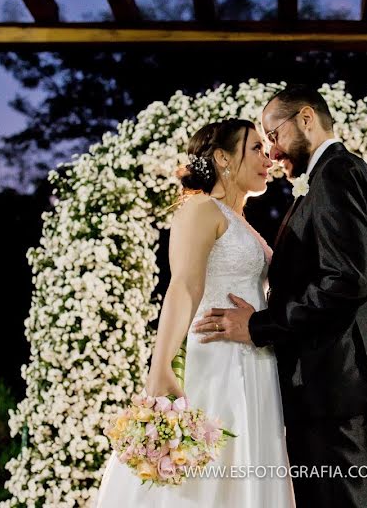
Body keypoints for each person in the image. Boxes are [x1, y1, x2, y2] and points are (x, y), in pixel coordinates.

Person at [193, 85, 367, 508]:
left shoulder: (336, 174)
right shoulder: (330, 176)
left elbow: (346, 281)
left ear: (306, 118)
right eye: (263, 142)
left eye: (273, 135)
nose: (271, 152)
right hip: (327, 384)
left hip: (332, 383)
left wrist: (258, 326)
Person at [94, 119, 296, 507]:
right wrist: (161, 366)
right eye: (255, 148)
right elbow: (185, 285)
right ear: (222, 157)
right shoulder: (201, 208)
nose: (267, 157)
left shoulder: (240, 221)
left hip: (253, 364)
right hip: (215, 362)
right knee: (202, 475)